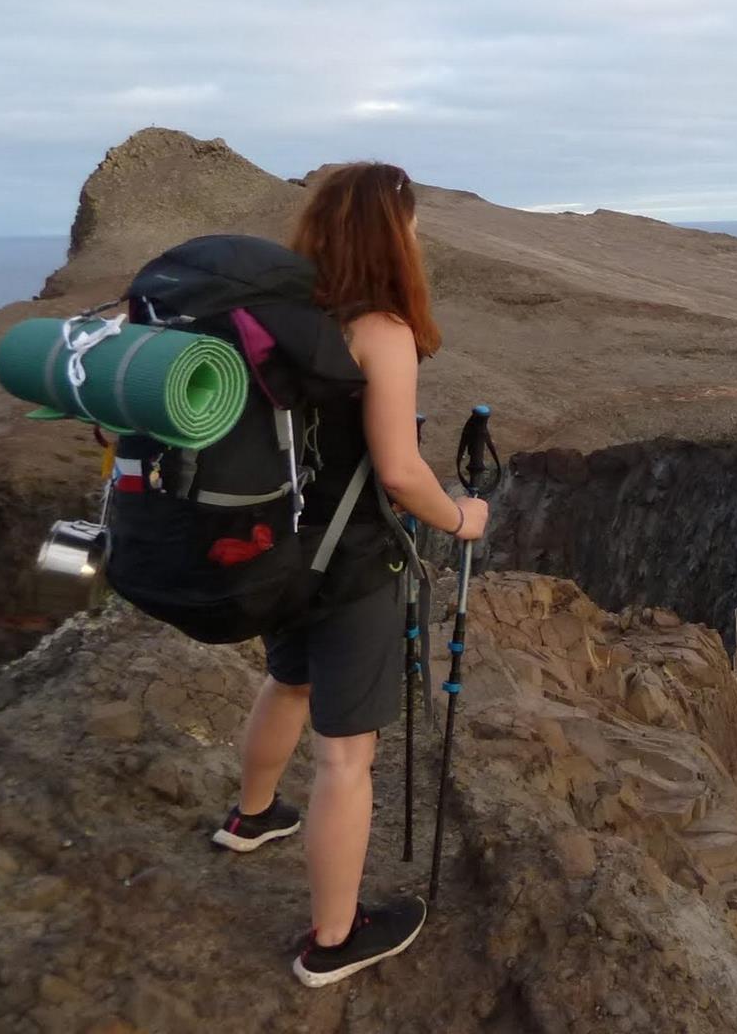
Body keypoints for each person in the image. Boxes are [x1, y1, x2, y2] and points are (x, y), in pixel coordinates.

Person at [209, 162, 489, 988]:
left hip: (276, 549)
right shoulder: (381, 330)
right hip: (352, 564)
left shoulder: (283, 318)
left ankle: (251, 817)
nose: (419, 236)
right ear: (391, 234)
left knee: (288, 679)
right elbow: (399, 472)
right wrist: (461, 519)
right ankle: (333, 940)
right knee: (344, 758)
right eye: (413, 223)